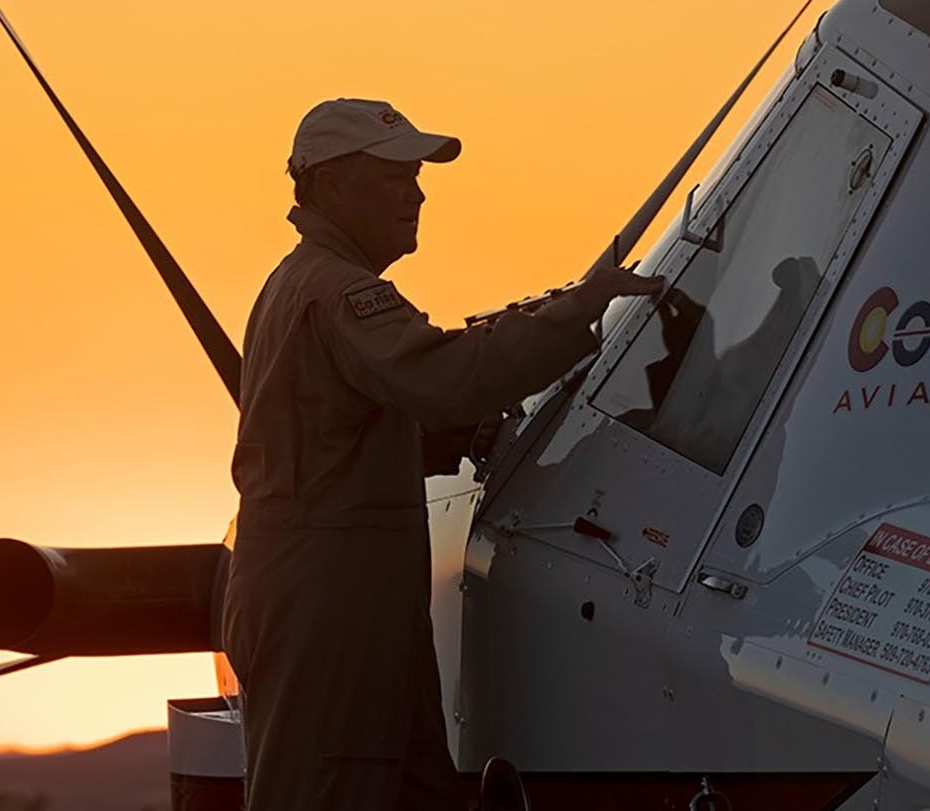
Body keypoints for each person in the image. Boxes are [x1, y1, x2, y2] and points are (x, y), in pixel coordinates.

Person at [223, 98, 663, 811]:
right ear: (331, 186)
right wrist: (577, 310)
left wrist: (456, 439)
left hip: (347, 606)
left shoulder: (299, 285)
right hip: (333, 614)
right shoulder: (341, 294)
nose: (417, 192)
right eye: (395, 175)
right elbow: (448, 379)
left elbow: (338, 433)